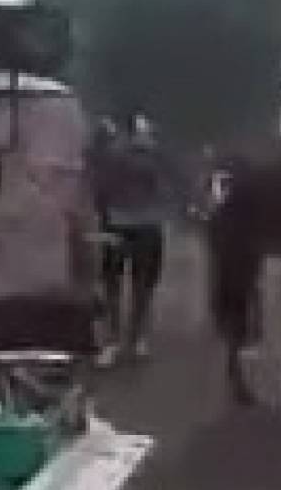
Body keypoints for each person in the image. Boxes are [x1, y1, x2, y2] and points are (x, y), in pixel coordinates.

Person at [94, 111, 169, 368]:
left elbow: (164, 188)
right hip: (123, 223)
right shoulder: (121, 155)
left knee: (137, 284)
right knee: (120, 284)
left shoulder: (151, 155)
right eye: (142, 130)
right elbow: (101, 188)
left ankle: (130, 339)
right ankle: (119, 340)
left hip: (139, 224)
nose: (145, 135)